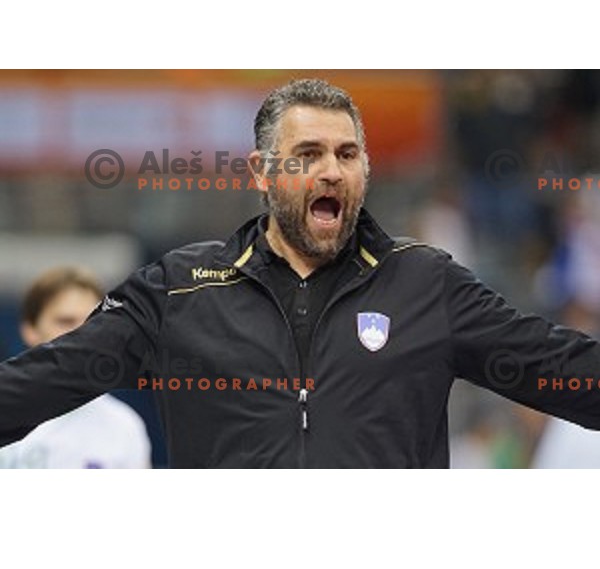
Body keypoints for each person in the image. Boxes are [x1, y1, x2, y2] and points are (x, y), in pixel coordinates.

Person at [1, 78, 600, 468]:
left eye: (347, 154)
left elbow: (565, 372)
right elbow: (38, 384)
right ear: (262, 172)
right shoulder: (178, 289)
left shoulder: (425, 283)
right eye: (308, 155)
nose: (332, 171)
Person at [0, 267, 151, 468]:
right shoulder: (7, 407)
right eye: (66, 321)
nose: (83, 334)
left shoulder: (126, 428)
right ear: (30, 329)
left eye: (93, 322)